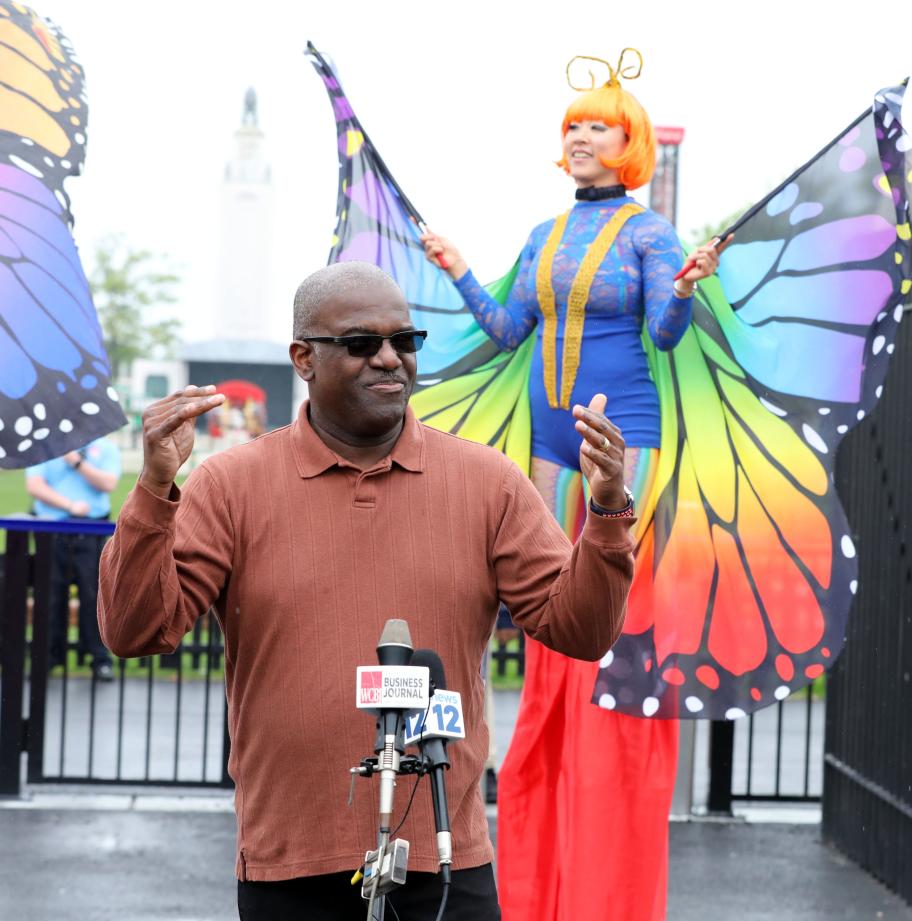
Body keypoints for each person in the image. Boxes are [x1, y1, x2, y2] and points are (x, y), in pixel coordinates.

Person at [97, 261, 640, 921]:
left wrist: (607, 512)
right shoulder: (232, 484)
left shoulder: (487, 481)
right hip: (289, 864)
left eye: (404, 341)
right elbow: (133, 630)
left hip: (445, 864)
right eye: (361, 344)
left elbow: (581, 631)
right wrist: (154, 490)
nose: (390, 359)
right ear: (303, 358)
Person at [421, 51, 728, 920]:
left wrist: (691, 290)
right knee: (550, 622)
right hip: (545, 443)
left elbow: (666, 336)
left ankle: (603, 832)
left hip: (622, 437)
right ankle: (547, 838)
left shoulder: (648, 232)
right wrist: (454, 269)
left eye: (598, 125)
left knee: (606, 612)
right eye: (572, 126)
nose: (581, 136)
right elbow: (505, 327)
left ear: (629, 145)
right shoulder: (544, 234)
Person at [25, 438, 121, 681]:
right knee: (50, 595)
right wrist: (68, 505)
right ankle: (47, 657)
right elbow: (35, 485)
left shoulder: (105, 446)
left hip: (92, 529)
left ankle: (100, 659)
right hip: (51, 528)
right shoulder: (44, 444)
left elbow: (108, 483)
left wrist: (76, 462)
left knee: (93, 595)